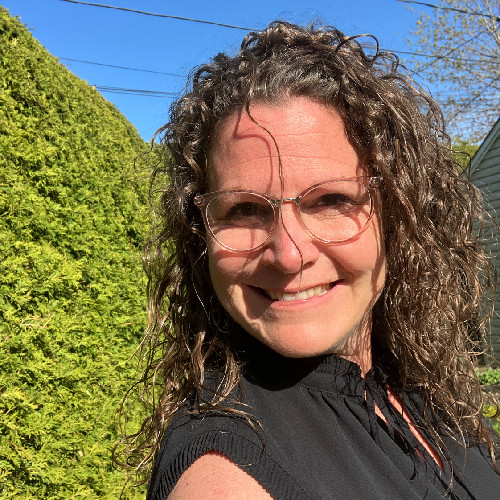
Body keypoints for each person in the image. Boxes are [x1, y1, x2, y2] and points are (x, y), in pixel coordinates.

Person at [118, 21, 500, 499]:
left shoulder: (420, 387)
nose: (289, 254)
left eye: (331, 200)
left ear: (398, 215)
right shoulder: (224, 473)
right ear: (202, 237)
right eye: (245, 209)